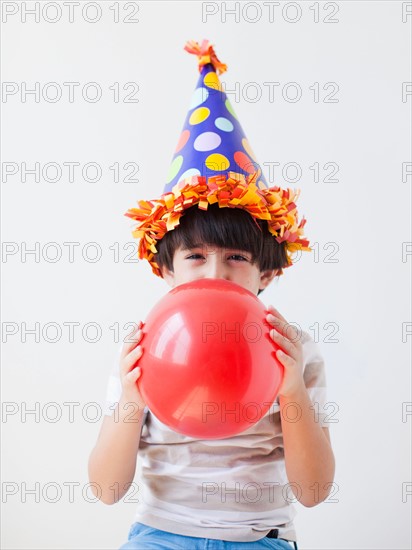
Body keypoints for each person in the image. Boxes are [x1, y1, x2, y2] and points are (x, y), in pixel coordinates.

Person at [88, 40, 335, 549]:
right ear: (166, 270)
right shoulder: (142, 348)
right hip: (160, 535)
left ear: (267, 272)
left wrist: (289, 390)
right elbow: (107, 488)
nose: (217, 273)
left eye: (237, 258)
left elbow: (312, 491)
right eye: (195, 256)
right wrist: (133, 399)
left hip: (260, 538)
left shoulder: (295, 348)